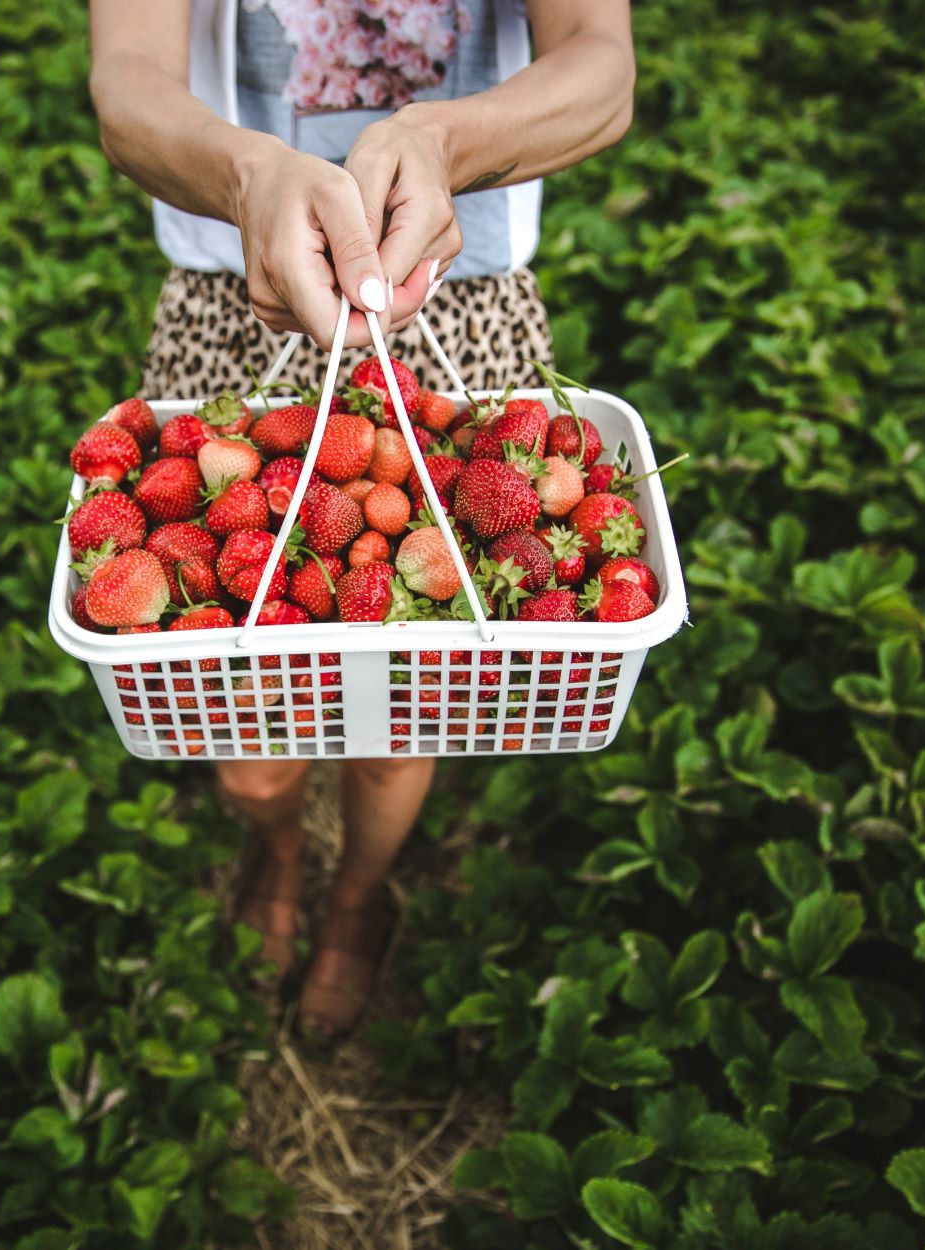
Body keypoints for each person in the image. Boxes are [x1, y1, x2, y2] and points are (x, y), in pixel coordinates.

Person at [88, 0, 635, 1036]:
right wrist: (248, 175)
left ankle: (354, 892)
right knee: (245, 723)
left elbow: (601, 68)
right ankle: (278, 844)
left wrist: (441, 139)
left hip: (458, 302)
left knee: (401, 713)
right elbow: (125, 83)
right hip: (237, 292)